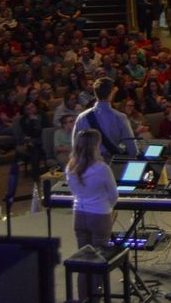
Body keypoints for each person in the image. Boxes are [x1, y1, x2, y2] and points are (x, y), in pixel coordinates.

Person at [66, 129, 118, 301]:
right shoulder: (102, 168)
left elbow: (74, 192)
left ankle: (83, 299)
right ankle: (95, 299)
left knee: (84, 261)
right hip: (99, 216)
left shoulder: (71, 166)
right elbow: (113, 195)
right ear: (95, 146)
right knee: (98, 261)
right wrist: (109, 209)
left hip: (79, 215)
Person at [73, 77, 138, 158]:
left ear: (95, 92)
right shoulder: (120, 117)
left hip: (89, 165)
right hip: (112, 164)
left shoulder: (82, 117)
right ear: (112, 92)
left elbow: (75, 146)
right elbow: (132, 150)